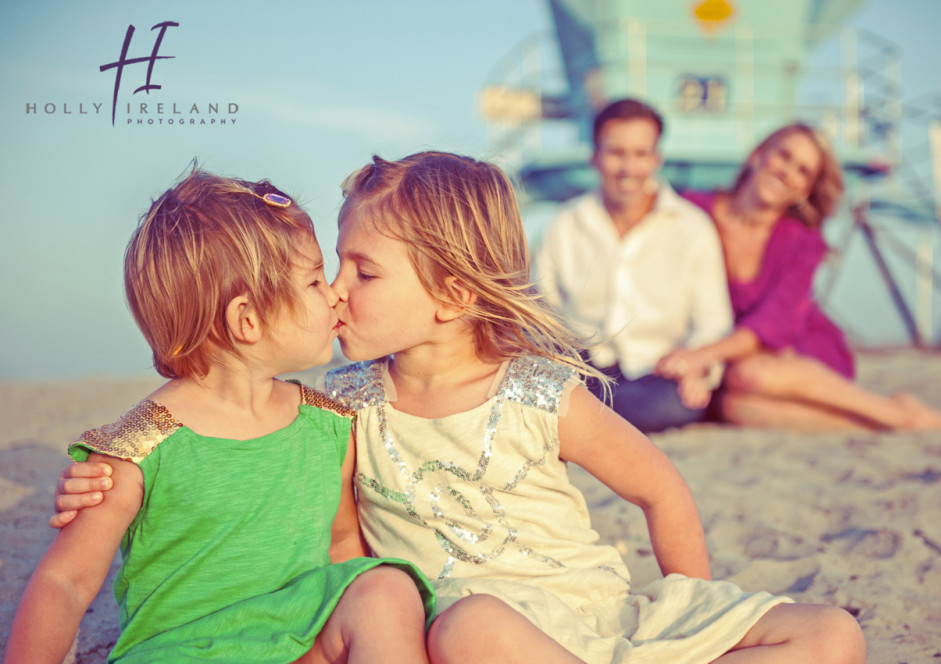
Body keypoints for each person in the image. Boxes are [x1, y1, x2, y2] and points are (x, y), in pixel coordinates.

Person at [53, 152, 867, 663]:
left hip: (601, 617)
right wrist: (117, 472)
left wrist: (691, 600)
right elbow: (236, 427)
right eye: (335, 268)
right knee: (471, 629)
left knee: (835, 635)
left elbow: (660, 488)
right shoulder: (344, 408)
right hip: (486, 639)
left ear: (449, 293)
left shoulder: (540, 392)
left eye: (362, 272)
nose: (336, 290)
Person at [4, 168, 436, 664]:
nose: (336, 292)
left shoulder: (327, 425)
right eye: (315, 279)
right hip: (182, 653)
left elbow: (341, 545)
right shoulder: (139, 447)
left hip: (297, 643)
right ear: (247, 319)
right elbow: (66, 582)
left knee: (383, 587)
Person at [669, 122, 941, 431]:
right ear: (758, 154)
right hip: (721, 357)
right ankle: (888, 418)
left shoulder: (803, 241)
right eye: (784, 156)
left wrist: (701, 356)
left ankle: (895, 416)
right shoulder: (691, 210)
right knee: (733, 408)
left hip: (795, 348)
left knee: (749, 374)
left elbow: (773, 325)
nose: (788, 172)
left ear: (805, 191)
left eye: (803, 171)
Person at [535, 98, 733, 433]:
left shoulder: (693, 227)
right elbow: (542, 311)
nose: (629, 167)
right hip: (583, 368)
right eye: (616, 153)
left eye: (641, 154)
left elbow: (713, 321)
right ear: (594, 157)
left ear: (657, 159)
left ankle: (584, 418)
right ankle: (588, 415)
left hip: (658, 374)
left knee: (674, 404)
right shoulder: (564, 225)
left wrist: (696, 366)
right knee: (549, 386)